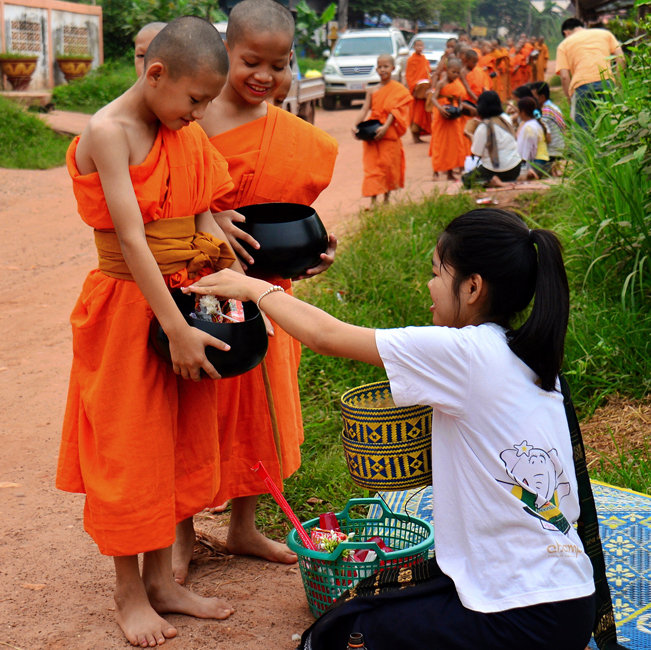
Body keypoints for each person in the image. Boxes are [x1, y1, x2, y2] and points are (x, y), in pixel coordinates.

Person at [185, 208, 597, 650]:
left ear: (473, 287)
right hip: (572, 600)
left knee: (346, 634)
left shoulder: (465, 353)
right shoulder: (530, 358)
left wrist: (251, 286)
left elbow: (326, 335)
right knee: (368, 603)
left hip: (519, 616)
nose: (429, 285)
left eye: (437, 272)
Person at [56, 16, 244, 647]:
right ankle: (129, 592)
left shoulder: (181, 131)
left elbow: (203, 217)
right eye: (195, 100)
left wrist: (232, 288)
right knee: (128, 445)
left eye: (208, 105)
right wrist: (174, 326)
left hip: (184, 301)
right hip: (126, 309)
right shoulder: (110, 132)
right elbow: (132, 238)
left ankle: (162, 582)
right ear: (155, 73)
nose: (198, 116)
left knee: (175, 441)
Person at [171, 0, 339, 584]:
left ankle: (244, 524)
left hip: (266, 290)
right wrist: (208, 217)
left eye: (280, 62)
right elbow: (160, 199)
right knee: (192, 409)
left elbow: (287, 212)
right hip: (195, 287)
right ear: (225, 53)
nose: (265, 76)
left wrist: (314, 245)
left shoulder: (293, 137)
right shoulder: (188, 115)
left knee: (261, 411)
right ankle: (181, 535)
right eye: (250, 61)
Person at [354, 54, 413, 205]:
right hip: (372, 133)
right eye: (379, 67)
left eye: (385, 66)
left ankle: (386, 199)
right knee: (372, 166)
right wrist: (355, 125)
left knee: (388, 166)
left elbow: (396, 112)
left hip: (388, 133)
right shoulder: (372, 90)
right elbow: (364, 109)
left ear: (393, 68)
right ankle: (374, 200)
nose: (382, 70)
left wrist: (385, 127)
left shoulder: (398, 90)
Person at [556, 18, 624, 130]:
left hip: (581, 87)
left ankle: (589, 147)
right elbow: (621, 58)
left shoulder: (564, 45)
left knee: (584, 130)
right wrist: (618, 83)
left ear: (566, 32)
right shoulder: (605, 34)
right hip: (606, 82)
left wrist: (570, 99)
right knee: (613, 126)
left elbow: (564, 77)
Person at [462, 90, 521, 189]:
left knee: (466, 180)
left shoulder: (483, 127)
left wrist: (470, 136)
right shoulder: (506, 118)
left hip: (494, 170)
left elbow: (477, 153)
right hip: (515, 168)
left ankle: (493, 182)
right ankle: (501, 181)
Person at [428, 58, 467, 181]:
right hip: (442, 116)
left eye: (457, 72)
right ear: (447, 70)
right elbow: (433, 98)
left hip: (453, 116)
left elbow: (459, 98)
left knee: (454, 144)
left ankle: (450, 171)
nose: (455, 75)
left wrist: (460, 107)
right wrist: (440, 108)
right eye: (453, 72)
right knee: (440, 144)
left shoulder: (457, 83)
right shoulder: (441, 83)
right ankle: (436, 171)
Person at [530, 80, 566, 175]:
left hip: (552, 152)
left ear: (541, 97)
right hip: (559, 149)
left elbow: (546, 137)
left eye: (533, 97)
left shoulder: (545, 112)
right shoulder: (552, 107)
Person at [404, 39, 432, 143]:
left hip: (424, 90)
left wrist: (429, 83)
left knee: (424, 113)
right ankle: (415, 136)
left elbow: (427, 72)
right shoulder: (411, 60)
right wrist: (414, 87)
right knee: (415, 114)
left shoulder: (424, 59)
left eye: (421, 46)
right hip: (416, 91)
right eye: (417, 46)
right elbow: (409, 75)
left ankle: (420, 135)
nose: (419, 48)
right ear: (414, 47)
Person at [517, 96, 550, 179]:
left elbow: (528, 151)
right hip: (543, 161)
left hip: (536, 163)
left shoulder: (528, 127)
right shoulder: (537, 124)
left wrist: (524, 167)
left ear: (523, 112)